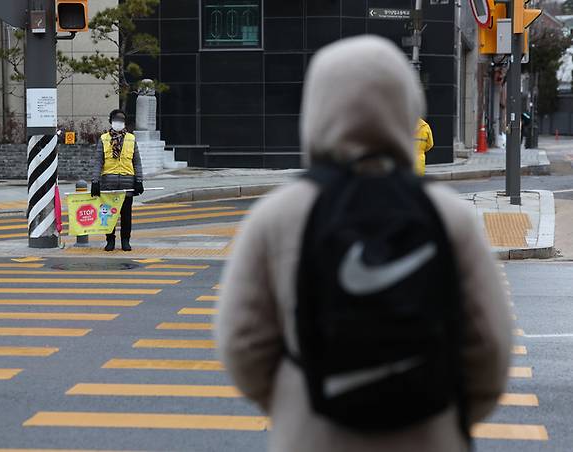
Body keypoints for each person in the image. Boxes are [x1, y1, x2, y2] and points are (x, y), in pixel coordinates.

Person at [216, 36, 511, 452]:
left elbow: (242, 344)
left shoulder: (279, 214)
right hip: (431, 434)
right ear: (408, 105)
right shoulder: (448, 214)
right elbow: (490, 349)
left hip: (312, 436)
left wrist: (297, 402)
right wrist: (443, 413)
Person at [91, 109, 144, 251]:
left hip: (127, 183)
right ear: (110, 121)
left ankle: (125, 241)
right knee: (108, 215)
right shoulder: (103, 139)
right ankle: (110, 241)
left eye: (121, 120)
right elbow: (98, 162)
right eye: (116, 119)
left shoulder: (131, 139)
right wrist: (95, 182)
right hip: (108, 183)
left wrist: (139, 181)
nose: (118, 122)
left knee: (126, 215)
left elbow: (137, 162)